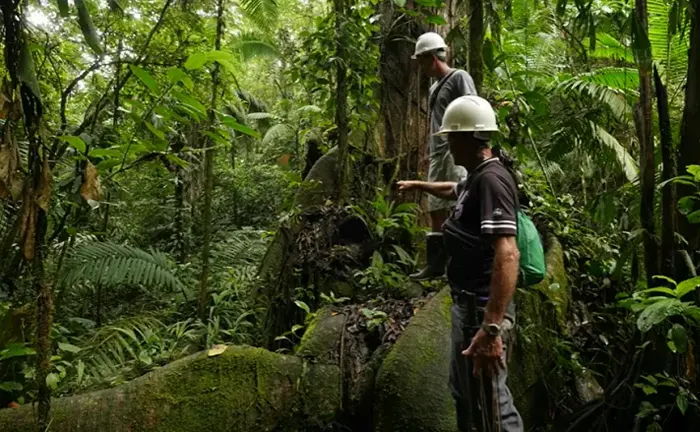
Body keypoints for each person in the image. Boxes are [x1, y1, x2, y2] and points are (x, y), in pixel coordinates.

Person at [397, 95, 524, 432]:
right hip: (467, 306)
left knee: (492, 400)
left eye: (451, 137)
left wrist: (492, 327)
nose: (449, 146)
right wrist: (419, 185)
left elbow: (508, 253)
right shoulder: (477, 176)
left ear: (468, 137)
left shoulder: (492, 180)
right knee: (465, 391)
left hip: (482, 310)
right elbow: (454, 189)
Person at [410, 31, 478, 280]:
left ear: (432, 58)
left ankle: (460, 264)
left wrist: (470, 149)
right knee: (436, 206)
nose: (420, 67)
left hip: (456, 151)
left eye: (421, 61)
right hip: (439, 152)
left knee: (458, 203)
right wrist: (430, 152)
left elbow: (473, 110)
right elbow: (435, 123)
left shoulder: (459, 78)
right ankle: (436, 265)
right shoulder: (434, 87)